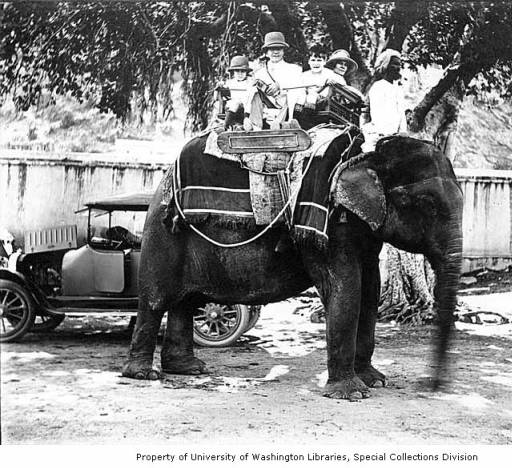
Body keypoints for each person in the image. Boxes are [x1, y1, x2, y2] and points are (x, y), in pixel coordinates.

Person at [244, 31, 302, 131]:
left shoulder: (294, 69)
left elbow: (298, 86)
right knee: (253, 91)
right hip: (266, 106)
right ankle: (254, 125)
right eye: (272, 49)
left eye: (279, 49)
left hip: (286, 106)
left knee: (296, 91)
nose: (276, 52)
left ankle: (288, 123)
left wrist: (279, 85)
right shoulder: (259, 72)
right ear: (266, 52)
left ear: (283, 51)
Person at [361, 49, 407, 151]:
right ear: (385, 65)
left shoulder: (398, 89)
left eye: (399, 65)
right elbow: (378, 114)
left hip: (396, 135)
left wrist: (403, 132)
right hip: (379, 134)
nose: (398, 68)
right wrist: (386, 134)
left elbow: (401, 114)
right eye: (395, 64)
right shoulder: (378, 86)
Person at [220, 55, 254, 130]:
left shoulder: (250, 82)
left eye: (243, 71)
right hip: (233, 110)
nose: (240, 74)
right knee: (235, 102)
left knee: (248, 99)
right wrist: (221, 87)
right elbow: (224, 93)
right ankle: (226, 125)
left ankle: (245, 121)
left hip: (246, 109)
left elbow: (250, 98)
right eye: (237, 71)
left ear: (246, 72)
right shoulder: (231, 82)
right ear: (233, 72)